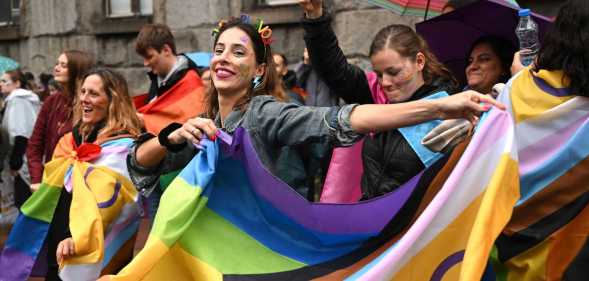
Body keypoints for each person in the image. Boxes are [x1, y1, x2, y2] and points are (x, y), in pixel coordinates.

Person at [125, 17, 502, 205]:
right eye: (220, 49)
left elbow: (344, 118)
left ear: (259, 71)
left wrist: (442, 108)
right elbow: (139, 163)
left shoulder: (264, 114)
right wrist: (170, 137)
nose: (224, 57)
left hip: (271, 250)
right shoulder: (204, 125)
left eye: (238, 51)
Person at [299, 0, 461, 199]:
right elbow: (334, 70)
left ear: (419, 61)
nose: (385, 82)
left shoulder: (451, 109)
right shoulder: (376, 97)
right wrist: (315, 17)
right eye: (379, 73)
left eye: (394, 72)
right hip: (373, 219)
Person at [48, 68, 143, 280]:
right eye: (82, 92)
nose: (84, 99)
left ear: (113, 100)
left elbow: (110, 205)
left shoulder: (122, 146)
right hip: (65, 238)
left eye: (93, 93)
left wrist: (78, 238)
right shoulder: (79, 137)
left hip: (94, 243)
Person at [133, 23, 206, 222]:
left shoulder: (191, 82)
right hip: (158, 171)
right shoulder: (158, 80)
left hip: (178, 173)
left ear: (166, 50)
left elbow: (185, 120)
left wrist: (146, 119)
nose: (146, 63)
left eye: (149, 56)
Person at [26, 50, 94, 193]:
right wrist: (37, 179)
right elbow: (35, 144)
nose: (56, 68)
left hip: (82, 184)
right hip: (53, 183)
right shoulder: (52, 102)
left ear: (77, 70)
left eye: (63, 65)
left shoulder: (89, 104)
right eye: (57, 64)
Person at [0, 69, 40, 208]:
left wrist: (15, 163)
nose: (1, 84)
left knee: (24, 201)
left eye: (5, 81)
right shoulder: (14, 99)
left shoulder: (18, 100)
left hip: (22, 160)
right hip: (22, 157)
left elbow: (21, 133)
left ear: (17, 83)